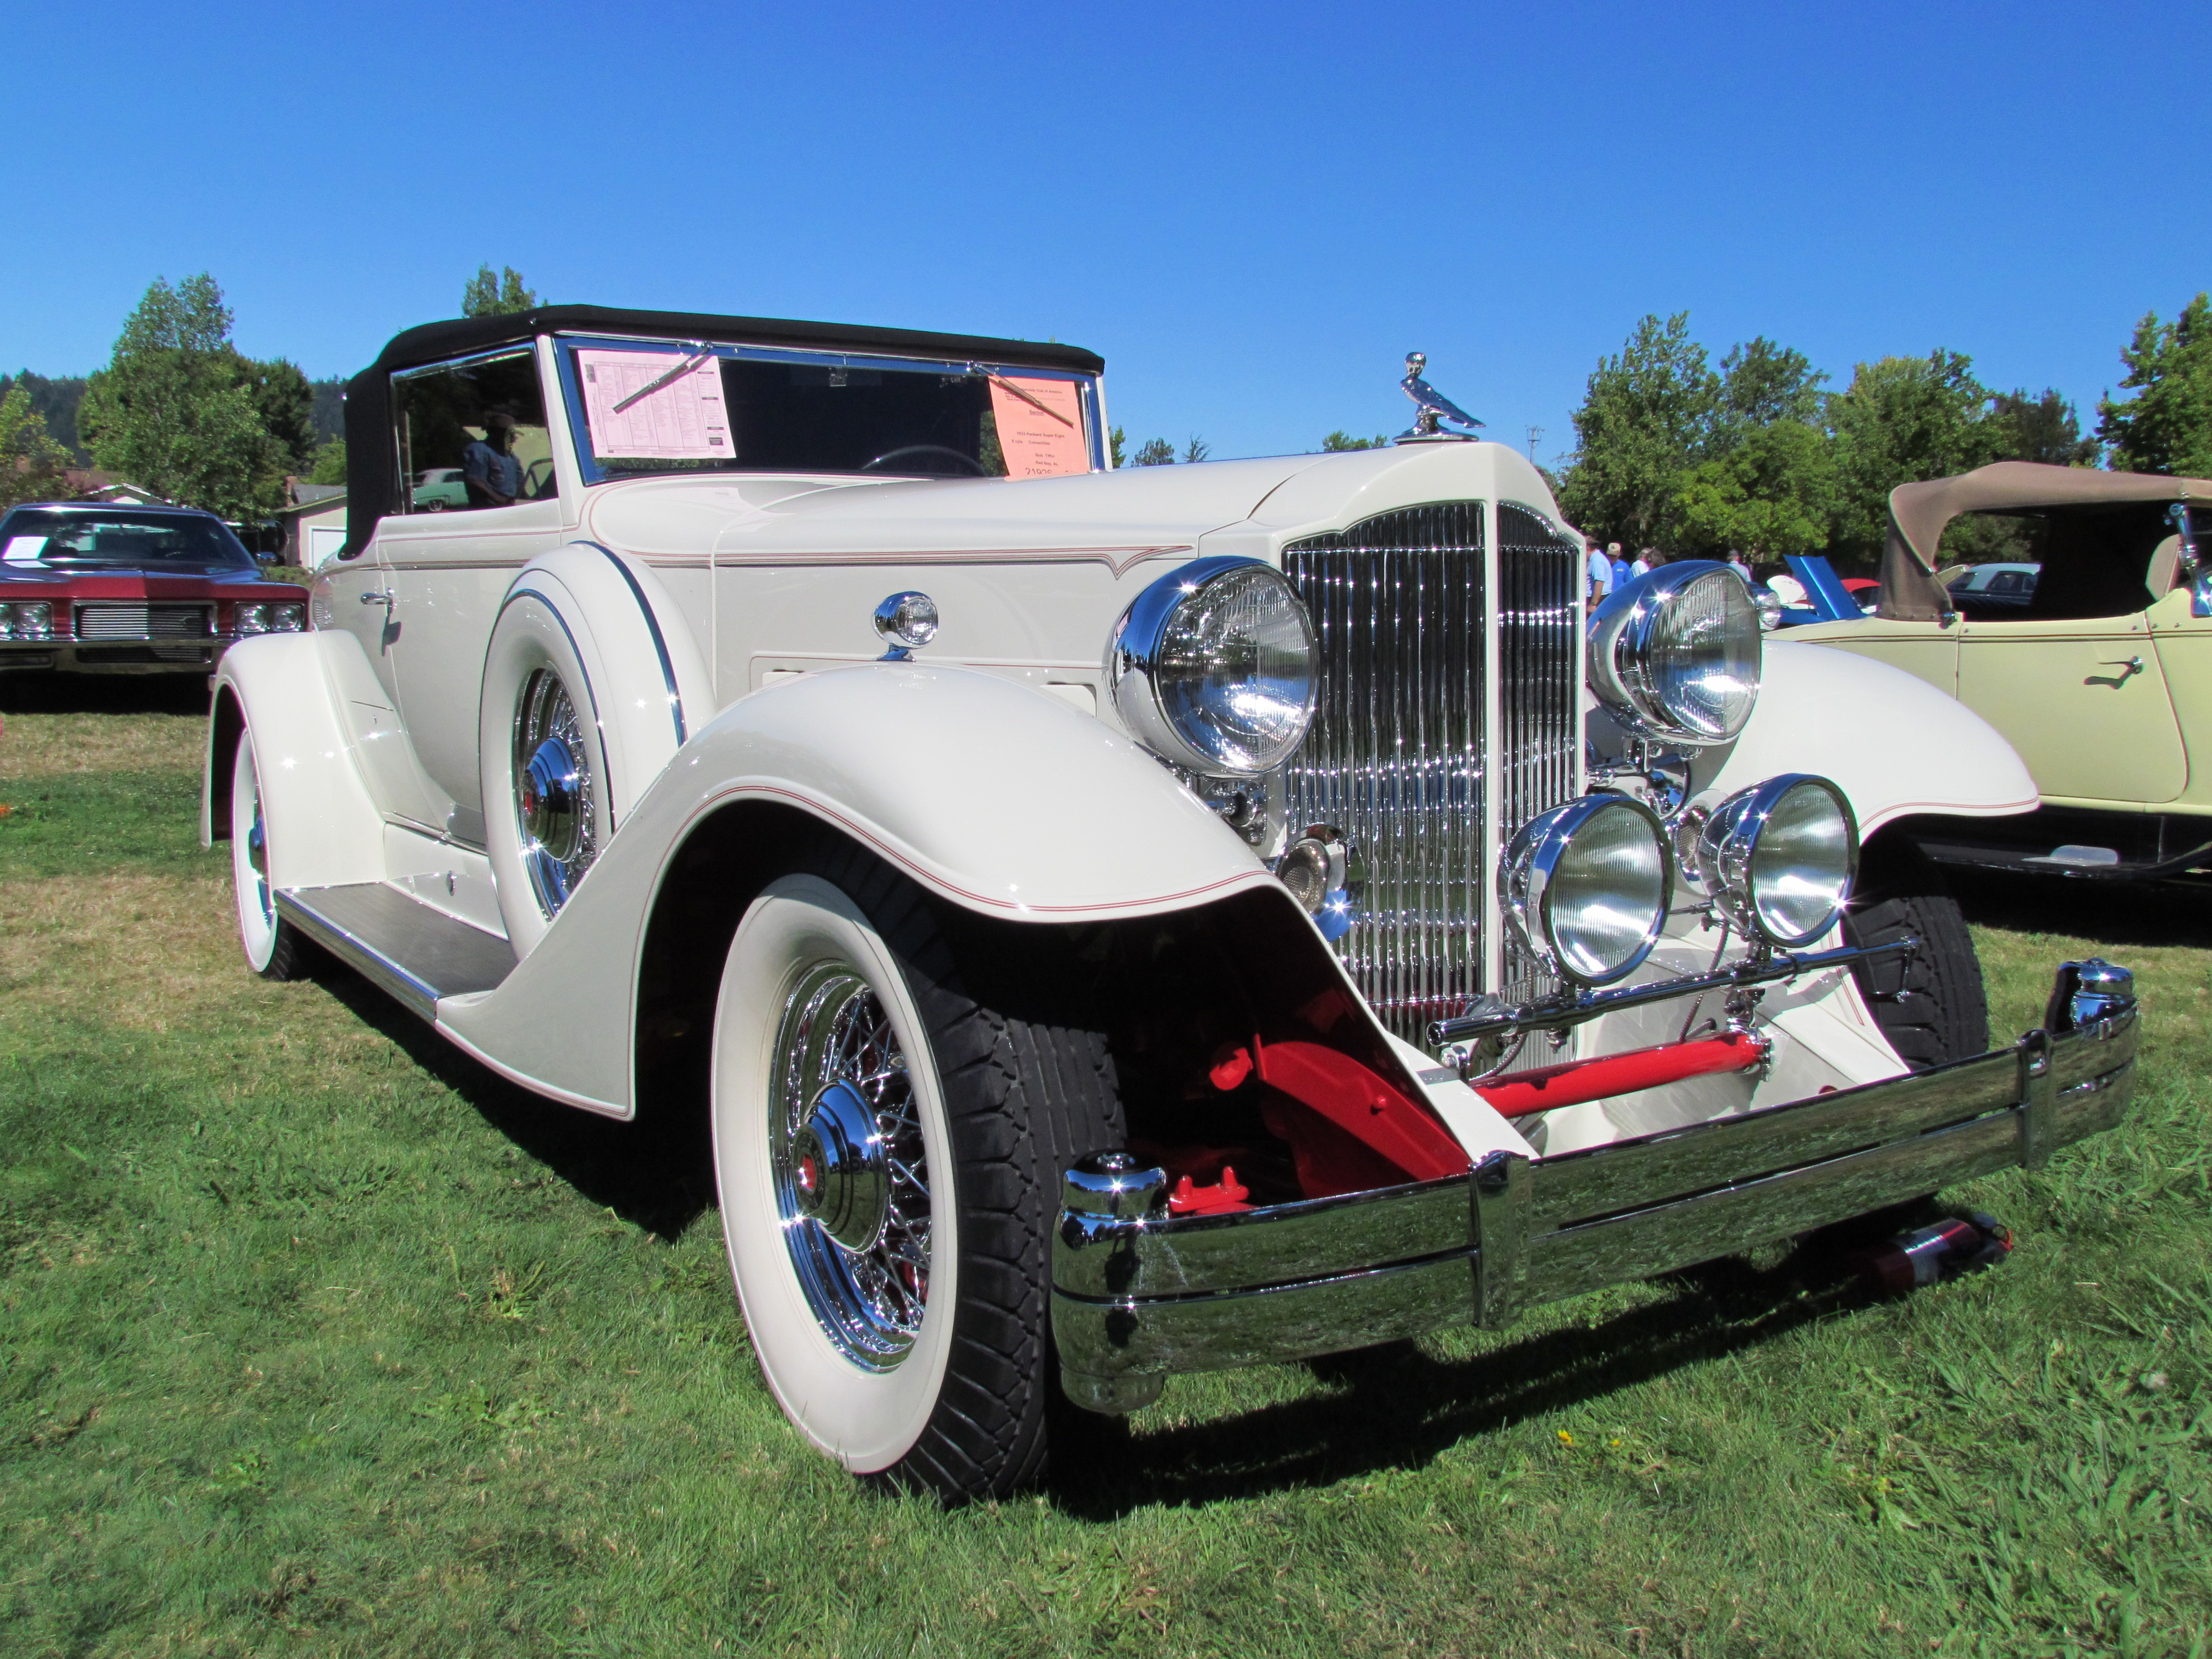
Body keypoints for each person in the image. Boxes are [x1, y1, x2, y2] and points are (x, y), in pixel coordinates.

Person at [462, 412, 523, 508]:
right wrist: (499, 499)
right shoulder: (479, 450)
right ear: (493, 432)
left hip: (509, 509)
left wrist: (513, 499)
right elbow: (476, 482)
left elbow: (520, 481)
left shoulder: (511, 457)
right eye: (506, 433)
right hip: (486, 511)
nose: (511, 437)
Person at [1585, 539, 1613, 603]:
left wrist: (1593, 604)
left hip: (1599, 598)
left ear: (1587, 548)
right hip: (1597, 597)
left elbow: (1600, 582)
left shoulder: (1597, 561)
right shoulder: (1595, 559)